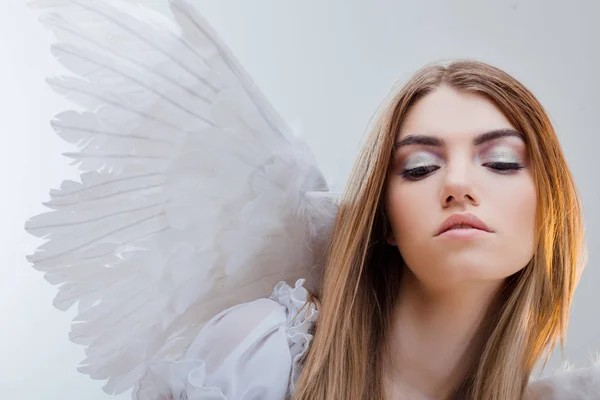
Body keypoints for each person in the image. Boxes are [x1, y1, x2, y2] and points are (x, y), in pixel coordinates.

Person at [134, 60, 591, 400]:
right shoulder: (259, 357)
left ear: (550, 208)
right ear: (385, 219)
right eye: (420, 168)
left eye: (501, 162)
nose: (457, 184)